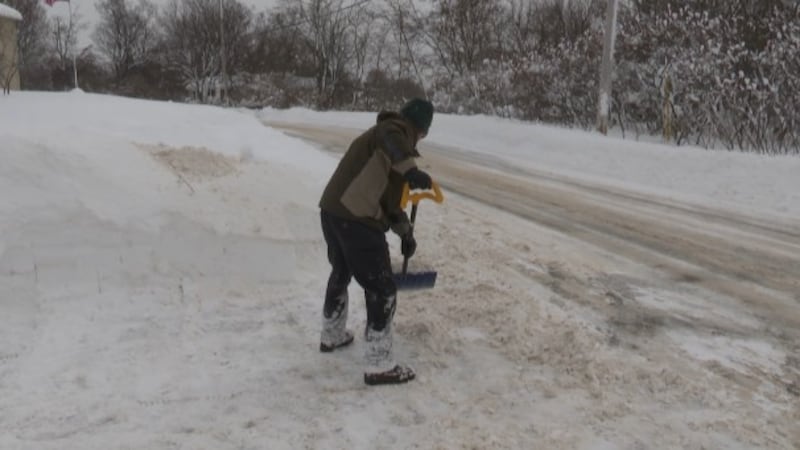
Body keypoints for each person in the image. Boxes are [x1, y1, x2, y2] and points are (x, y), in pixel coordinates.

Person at [318, 98, 434, 386]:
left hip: (334, 211)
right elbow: (391, 139)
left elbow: (391, 204)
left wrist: (405, 233)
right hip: (356, 218)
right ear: (420, 129)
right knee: (382, 288)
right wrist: (411, 171)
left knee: (342, 271)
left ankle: (332, 334)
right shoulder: (391, 132)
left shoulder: (387, 147)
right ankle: (380, 364)